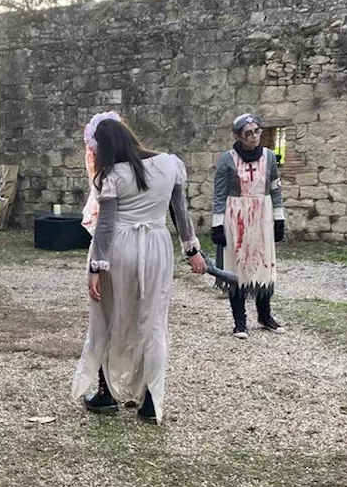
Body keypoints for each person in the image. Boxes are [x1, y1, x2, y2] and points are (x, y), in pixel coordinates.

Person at [72, 114, 207, 424]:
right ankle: (149, 399)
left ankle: (107, 393)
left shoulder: (112, 176)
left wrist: (95, 267)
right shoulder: (170, 165)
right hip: (157, 247)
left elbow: (105, 227)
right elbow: (180, 213)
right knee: (152, 321)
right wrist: (192, 250)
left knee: (110, 318)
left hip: (118, 248)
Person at [211, 113, 286, 338]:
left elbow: (275, 188)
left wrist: (278, 218)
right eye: (249, 133)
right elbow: (219, 193)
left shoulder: (269, 157)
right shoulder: (228, 159)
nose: (254, 137)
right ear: (238, 136)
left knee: (263, 264)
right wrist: (217, 224)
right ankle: (240, 321)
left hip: (261, 214)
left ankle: (265, 315)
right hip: (236, 216)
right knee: (237, 266)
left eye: (257, 132)